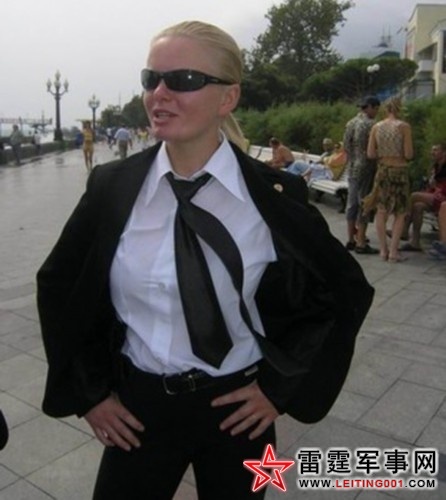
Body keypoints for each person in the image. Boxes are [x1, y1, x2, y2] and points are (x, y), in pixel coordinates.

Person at [36, 20, 374, 500]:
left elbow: (339, 292)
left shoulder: (273, 194)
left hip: (240, 411)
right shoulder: (113, 187)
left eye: (184, 80)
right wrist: (89, 394)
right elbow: (60, 284)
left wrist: (278, 389)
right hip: (139, 407)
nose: (160, 93)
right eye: (151, 79)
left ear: (228, 97)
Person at [363, 97, 413, 262]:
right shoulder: (404, 127)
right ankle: (393, 251)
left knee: (381, 210)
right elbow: (409, 154)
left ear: (385, 109)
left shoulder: (376, 127)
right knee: (400, 211)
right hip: (399, 171)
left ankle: (383, 250)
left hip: (383, 170)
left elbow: (370, 154)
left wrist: (383, 153)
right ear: (399, 109)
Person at [343, 95, 381, 254]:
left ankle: (351, 239)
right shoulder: (372, 124)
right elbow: (375, 149)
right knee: (365, 203)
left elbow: (346, 146)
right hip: (366, 167)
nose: (377, 112)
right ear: (370, 107)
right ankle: (361, 242)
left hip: (352, 166)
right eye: (376, 108)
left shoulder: (351, 123)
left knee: (352, 203)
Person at [398, 142, 446, 252]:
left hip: (443, 197)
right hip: (437, 195)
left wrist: (436, 188)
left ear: (444, 153)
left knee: (414, 196)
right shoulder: (436, 166)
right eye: (432, 150)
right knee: (418, 206)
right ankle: (415, 242)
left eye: (436, 150)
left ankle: (404, 229)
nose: (432, 152)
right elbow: (433, 185)